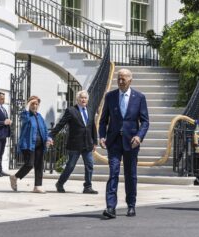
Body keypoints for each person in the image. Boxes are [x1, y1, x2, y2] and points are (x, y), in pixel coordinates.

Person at [99, 68, 149, 218]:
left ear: (130, 80)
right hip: (113, 142)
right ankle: (110, 208)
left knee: (130, 174)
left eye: (123, 79)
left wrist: (139, 136)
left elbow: (145, 122)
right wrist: (102, 136)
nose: (120, 82)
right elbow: (103, 121)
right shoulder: (110, 96)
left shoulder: (139, 97)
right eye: (119, 79)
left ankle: (131, 205)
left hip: (131, 142)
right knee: (113, 173)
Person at [48, 90, 98, 194]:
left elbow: (92, 126)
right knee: (70, 166)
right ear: (77, 99)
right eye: (81, 98)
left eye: (85, 98)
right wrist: (51, 135)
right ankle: (60, 183)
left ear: (87, 100)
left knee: (89, 165)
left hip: (87, 143)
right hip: (75, 144)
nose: (83, 99)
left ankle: (87, 187)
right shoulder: (71, 111)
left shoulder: (90, 110)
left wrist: (95, 141)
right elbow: (61, 124)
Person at [9, 96, 49, 193]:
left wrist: (48, 139)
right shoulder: (25, 115)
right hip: (28, 144)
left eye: (36, 104)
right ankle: (15, 177)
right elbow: (25, 119)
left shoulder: (39, 117)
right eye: (32, 104)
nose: (35, 106)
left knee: (39, 165)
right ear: (29, 105)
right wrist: (27, 106)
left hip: (40, 144)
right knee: (29, 164)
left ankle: (37, 186)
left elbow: (45, 129)